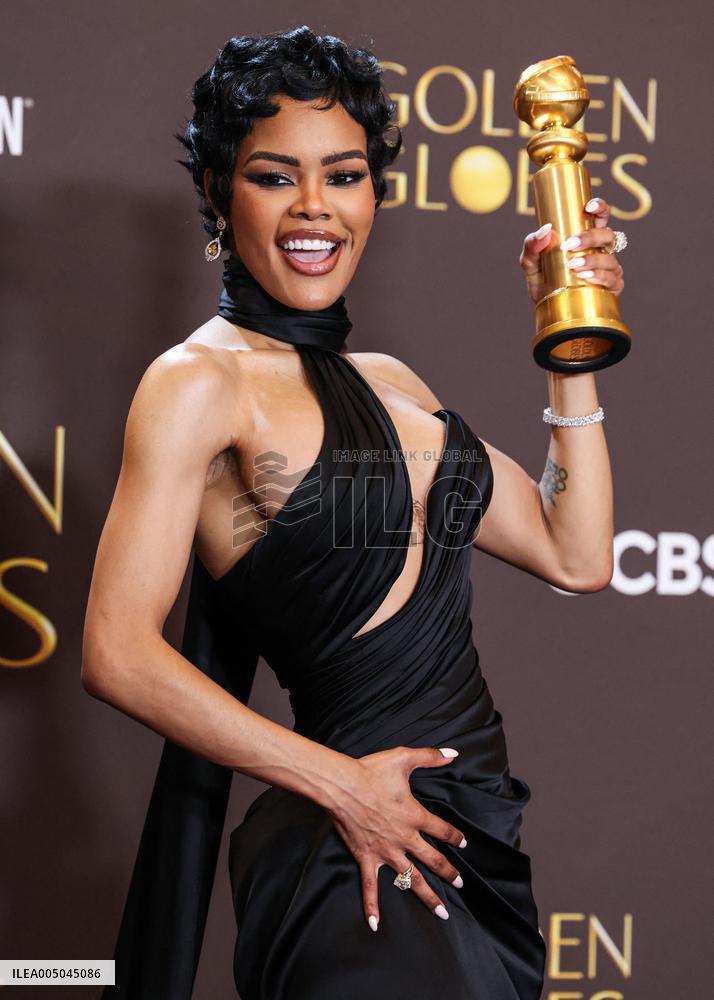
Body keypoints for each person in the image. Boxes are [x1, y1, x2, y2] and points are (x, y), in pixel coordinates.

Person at [82, 25, 624, 1000]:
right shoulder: (199, 383)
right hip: (352, 863)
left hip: (475, 854)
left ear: (375, 191)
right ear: (217, 192)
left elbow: (575, 552)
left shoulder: (394, 384)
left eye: (343, 174)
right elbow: (117, 651)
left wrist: (565, 339)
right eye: (275, 176)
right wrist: (339, 784)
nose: (315, 208)